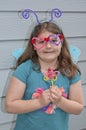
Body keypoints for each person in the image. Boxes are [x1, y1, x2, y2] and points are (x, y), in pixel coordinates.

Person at [5, 22, 84, 130]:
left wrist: (59, 101)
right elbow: (10, 106)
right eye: (41, 41)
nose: (48, 46)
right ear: (34, 45)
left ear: (61, 43)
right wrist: (39, 102)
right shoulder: (24, 70)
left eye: (54, 40)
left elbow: (78, 108)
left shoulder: (70, 71)